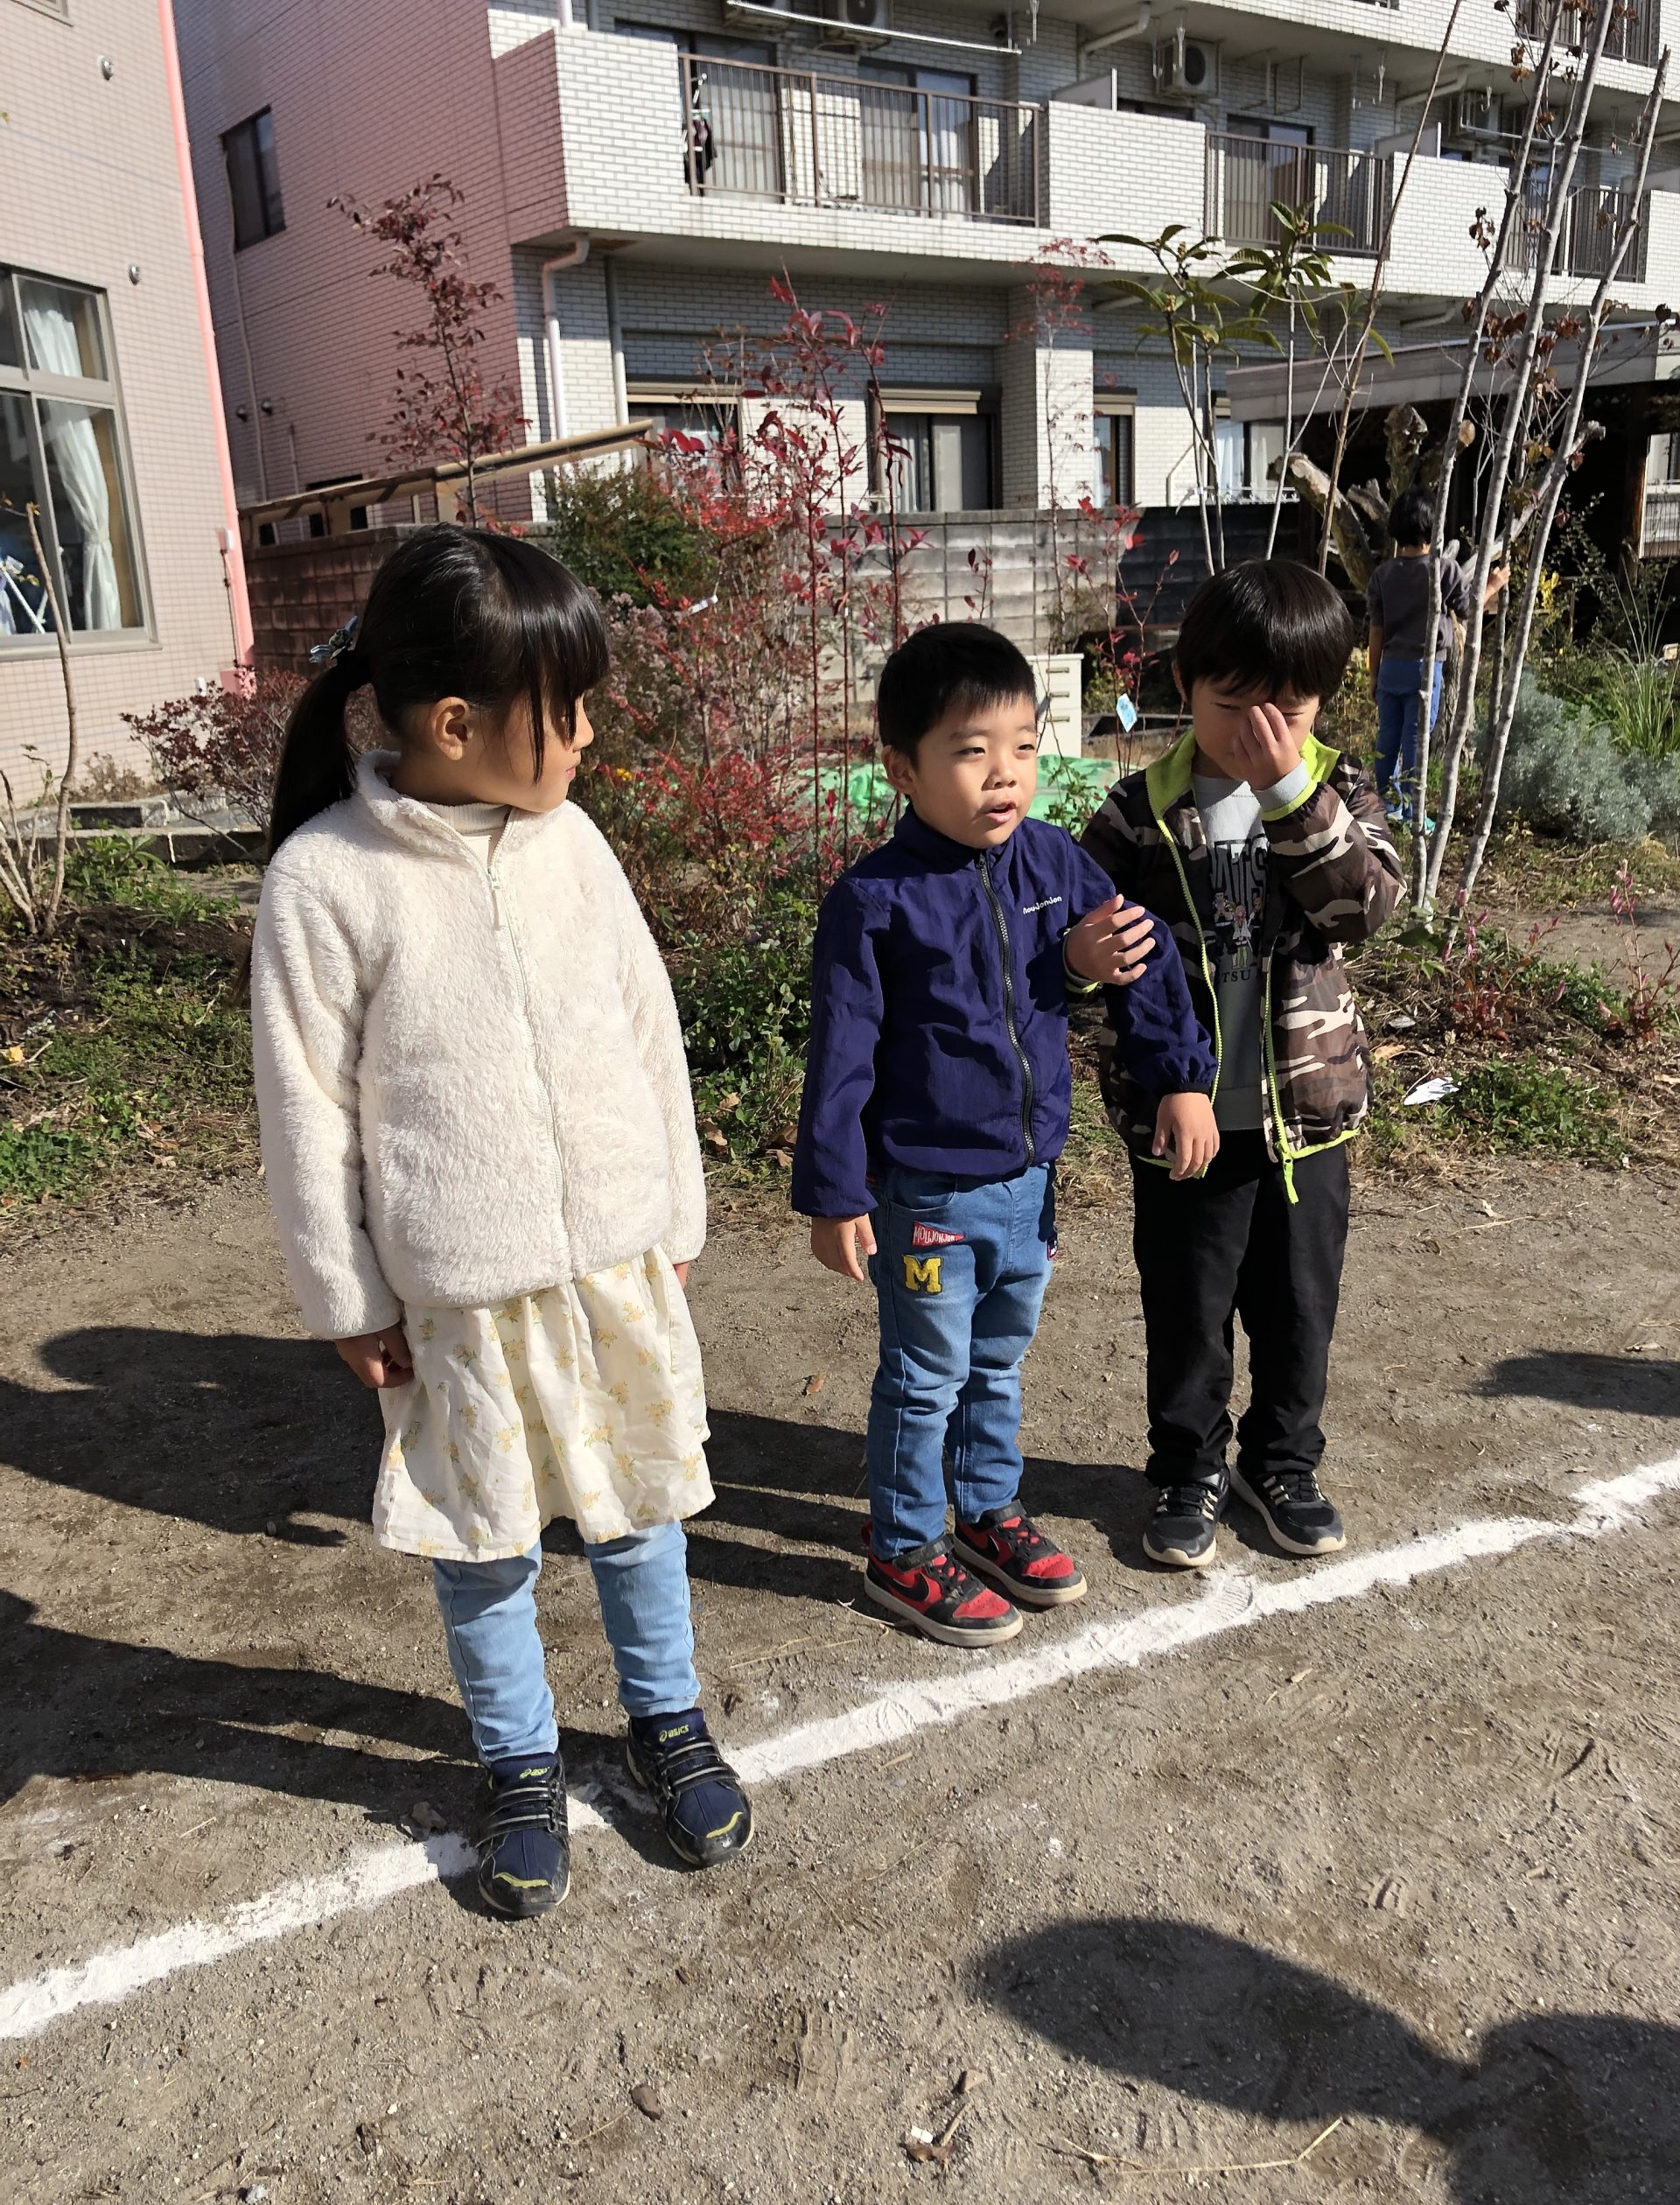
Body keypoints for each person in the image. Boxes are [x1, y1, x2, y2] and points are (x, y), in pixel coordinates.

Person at [250, 524, 751, 1920]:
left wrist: (675, 1204)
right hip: (457, 1294)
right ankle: (520, 1764)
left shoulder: (572, 843)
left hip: (615, 1265)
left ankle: (666, 1722)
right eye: (567, 706)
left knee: (643, 1512)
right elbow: (305, 1115)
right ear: (458, 723)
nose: (587, 734)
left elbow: (647, 1028)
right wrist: (348, 1300)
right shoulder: (328, 880)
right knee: (484, 1546)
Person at [793, 622, 1216, 1646]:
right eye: (971, 750)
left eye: (1024, 746)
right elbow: (841, 1058)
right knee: (924, 1374)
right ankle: (904, 1547)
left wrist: (1179, 1077)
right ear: (903, 768)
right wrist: (835, 1192)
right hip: (928, 1192)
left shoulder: (1055, 861)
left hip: (1029, 1183)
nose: (1005, 774)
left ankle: (985, 1511)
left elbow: (1139, 953)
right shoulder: (874, 901)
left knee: (997, 1360)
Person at [1082, 558, 1403, 1572]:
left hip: (1306, 1116)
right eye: (1233, 707)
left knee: (1299, 1308)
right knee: (1188, 1308)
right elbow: (1082, 959)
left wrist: (1291, 792)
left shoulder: (1338, 788)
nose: (1260, 732)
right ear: (1185, 685)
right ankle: (1187, 1467)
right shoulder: (1138, 810)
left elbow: (1363, 909)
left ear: (1322, 703)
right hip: (1183, 1123)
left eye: (1288, 712)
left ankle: (1282, 1463)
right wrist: (1078, 960)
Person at [1366, 486, 1509, 826]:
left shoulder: (1382, 575)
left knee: (1387, 738)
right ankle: (1414, 813)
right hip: (1424, 669)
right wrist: (1493, 584)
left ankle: (1387, 804)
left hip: (1390, 668)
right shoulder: (1444, 570)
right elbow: (1468, 609)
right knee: (1416, 741)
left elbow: (1376, 631)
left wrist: (1373, 674)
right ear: (1434, 528)